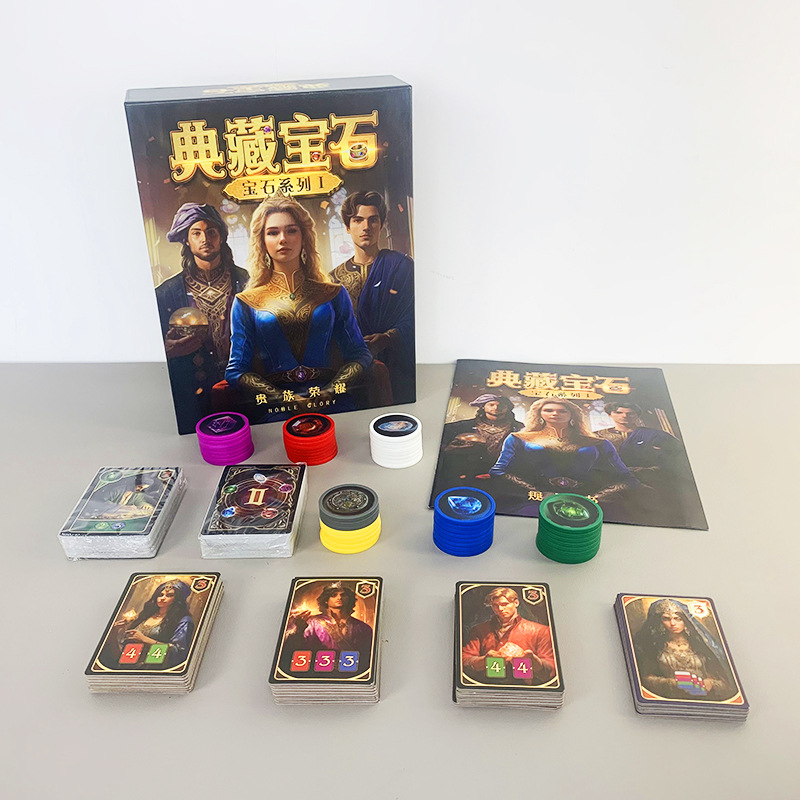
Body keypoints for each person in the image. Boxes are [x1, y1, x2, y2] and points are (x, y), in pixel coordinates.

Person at [226, 196, 371, 420]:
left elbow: (360, 354)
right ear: (262, 241)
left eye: (291, 230)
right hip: (277, 409)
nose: (283, 239)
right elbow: (236, 370)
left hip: (333, 402)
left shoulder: (333, 293)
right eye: (273, 232)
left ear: (304, 236)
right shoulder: (246, 301)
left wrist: (329, 392)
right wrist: (285, 399)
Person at [156, 203, 250, 434]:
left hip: (244, 386)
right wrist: (167, 350)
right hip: (192, 393)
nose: (205, 239)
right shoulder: (167, 293)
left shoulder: (247, 281)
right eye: (196, 233)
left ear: (221, 237)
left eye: (211, 232)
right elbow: (151, 348)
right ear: (187, 240)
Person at [330, 191, 415, 403]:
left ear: (382, 224)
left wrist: (389, 337)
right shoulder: (333, 279)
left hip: (398, 367)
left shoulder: (402, 266)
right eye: (358, 220)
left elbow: (417, 315)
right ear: (347, 227)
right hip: (352, 372)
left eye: (373, 220)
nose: (366, 227)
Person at [490, 397, 638, 504]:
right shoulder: (518, 438)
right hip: (533, 500)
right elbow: (498, 471)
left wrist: (595, 497)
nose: (555, 414)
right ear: (539, 414)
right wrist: (537, 492)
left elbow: (628, 478)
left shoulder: (599, 443)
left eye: (562, 411)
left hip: (586, 500)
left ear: (572, 415)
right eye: (549, 410)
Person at [632, 599, 735, 701]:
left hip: (704, 698)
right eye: (666, 619)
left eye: (678, 619)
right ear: (660, 621)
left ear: (685, 621)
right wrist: (672, 683)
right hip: (670, 699)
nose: (672, 623)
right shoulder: (654, 647)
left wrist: (710, 683)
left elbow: (725, 682)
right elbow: (644, 679)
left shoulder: (700, 645)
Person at [461, 587, 555, 684]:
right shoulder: (479, 630)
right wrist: (483, 661)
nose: (500, 609)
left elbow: (552, 668)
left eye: (504, 604)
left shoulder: (541, 631)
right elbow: (464, 661)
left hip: (524, 687)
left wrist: (534, 661)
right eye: (495, 605)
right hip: (486, 685)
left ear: (516, 603)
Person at [108, 580, 195, 668]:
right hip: (127, 667)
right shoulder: (144, 616)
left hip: (153, 667)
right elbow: (119, 655)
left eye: (169, 595)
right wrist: (114, 632)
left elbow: (178, 653)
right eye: (160, 595)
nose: (163, 598)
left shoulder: (183, 621)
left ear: (178, 599)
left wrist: (144, 639)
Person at [438, 394, 523, 485]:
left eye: (501, 405)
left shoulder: (520, 428)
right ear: (483, 406)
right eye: (491, 405)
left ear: (507, 408)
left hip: (504, 477)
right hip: (466, 475)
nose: (496, 408)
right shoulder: (461, 426)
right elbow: (441, 444)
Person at [285, 583, 373, 654]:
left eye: (343, 595)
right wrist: (299, 630)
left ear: (349, 599)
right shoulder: (313, 622)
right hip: (320, 665)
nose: (339, 598)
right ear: (326, 600)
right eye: (334, 595)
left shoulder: (363, 627)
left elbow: (367, 654)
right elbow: (295, 648)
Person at [595, 401, 683, 471]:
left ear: (637, 415)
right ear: (609, 414)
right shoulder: (597, 436)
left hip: (647, 479)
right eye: (618, 412)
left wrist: (651, 470)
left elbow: (678, 455)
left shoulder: (656, 435)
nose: (624, 416)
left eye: (630, 413)